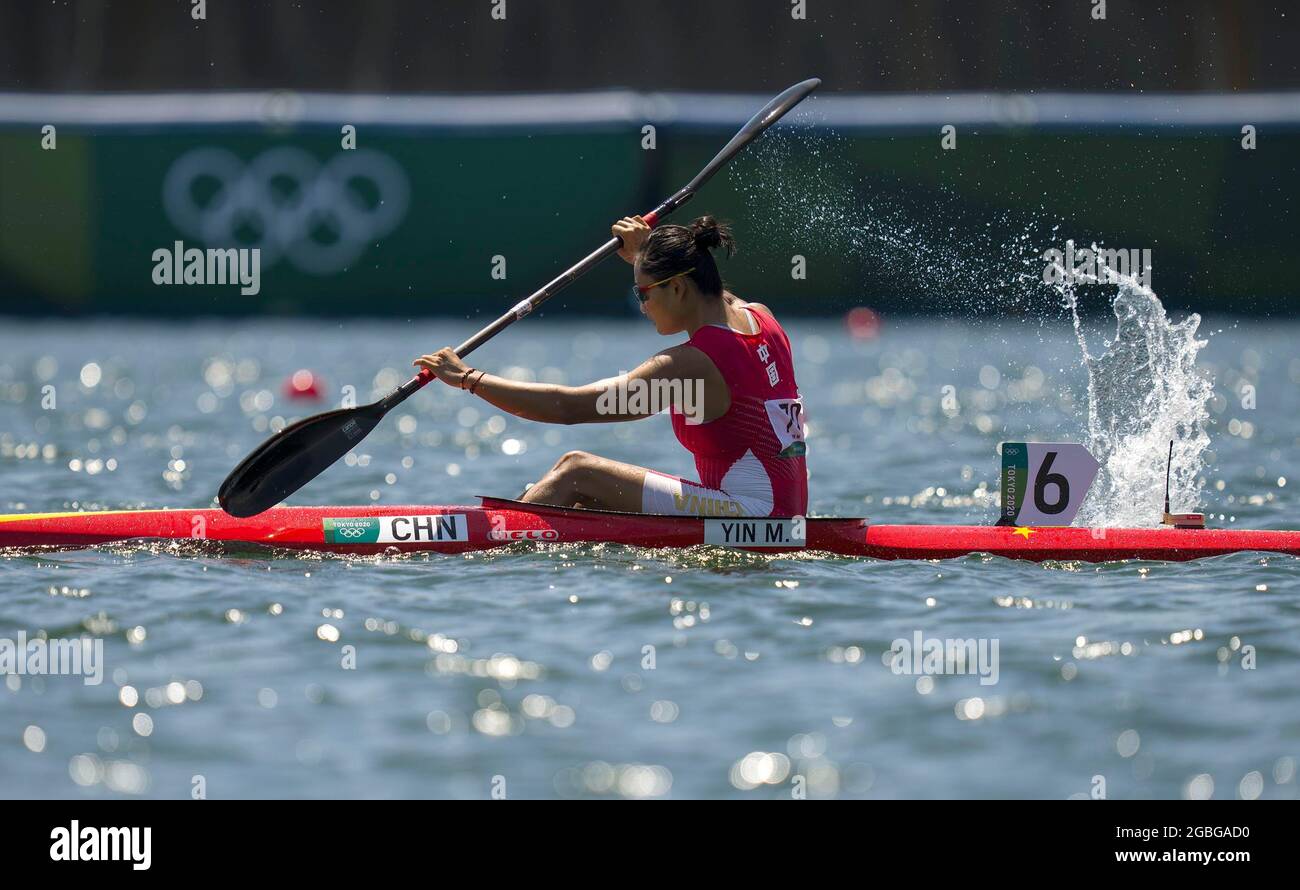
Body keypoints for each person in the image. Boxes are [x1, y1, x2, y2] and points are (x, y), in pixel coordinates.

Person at [415, 215, 807, 517]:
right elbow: (709, 292)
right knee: (580, 495)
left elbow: (572, 407)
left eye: (643, 292)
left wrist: (469, 378)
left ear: (677, 288)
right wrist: (645, 254)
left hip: (753, 517)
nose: (641, 305)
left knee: (576, 471)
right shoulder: (761, 317)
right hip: (784, 514)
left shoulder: (689, 365)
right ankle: (506, 523)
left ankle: (486, 545)